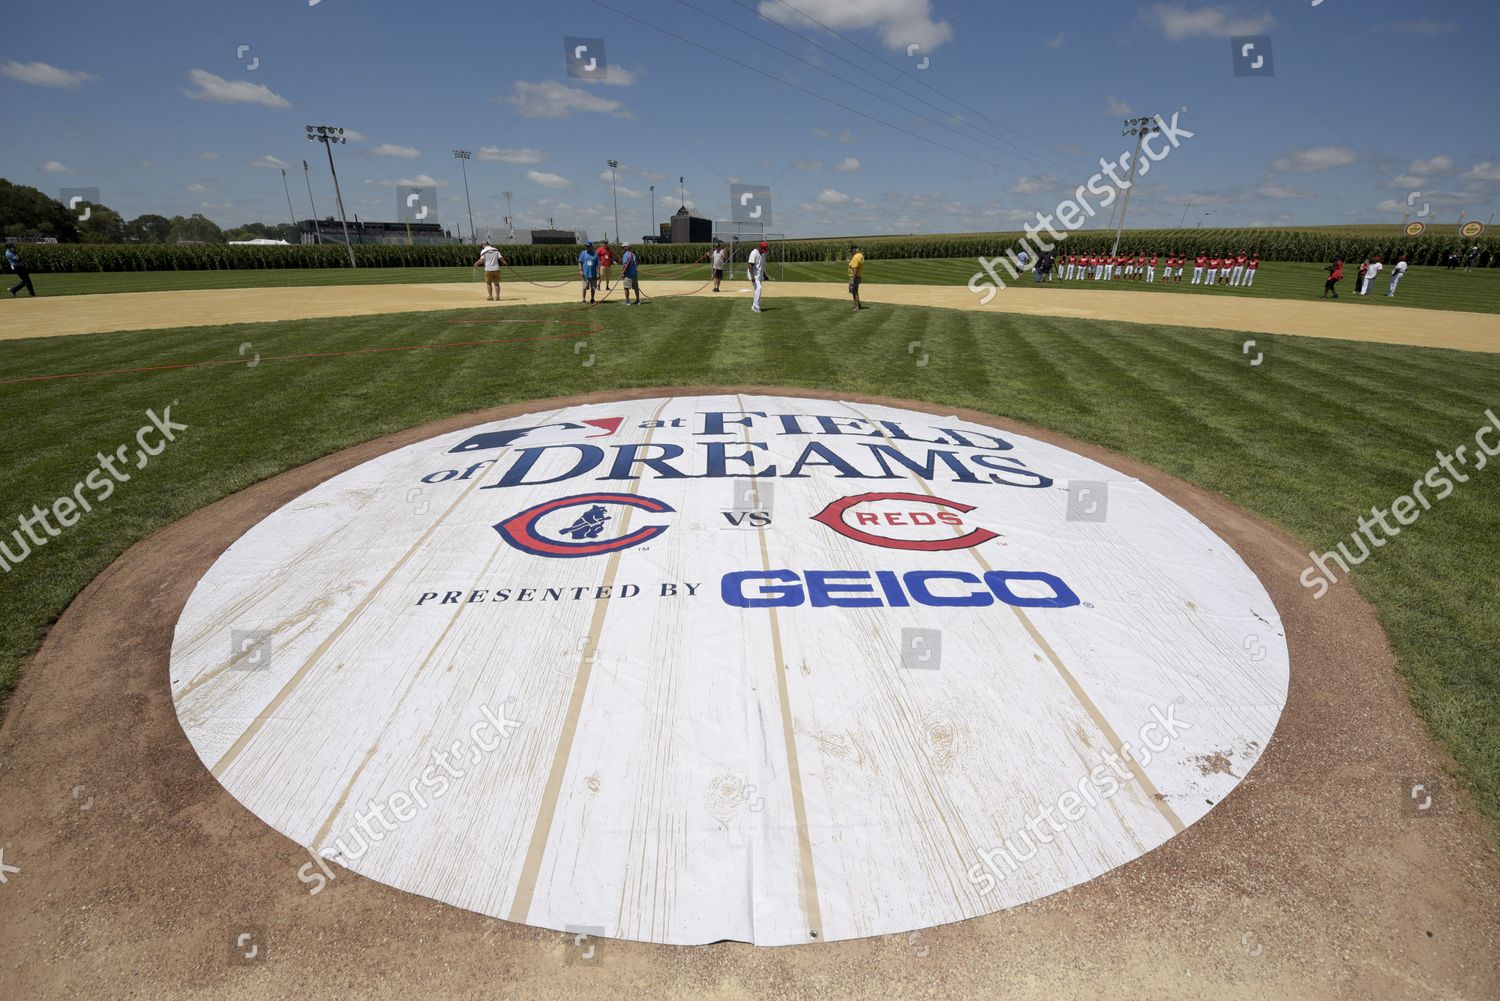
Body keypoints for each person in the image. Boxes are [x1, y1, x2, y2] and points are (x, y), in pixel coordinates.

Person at [748, 240, 767, 312]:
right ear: (759, 247)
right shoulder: (754, 253)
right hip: (753, 274)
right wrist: (752, 276)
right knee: (759, 288)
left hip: (759, 275)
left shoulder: (762, 254)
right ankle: (756, 306)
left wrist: (764, 274)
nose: (764, 251)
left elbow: (761, 266)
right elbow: (750, 265)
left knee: (758, 290)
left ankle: (754, 305)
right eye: (763, 249)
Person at [847, 244, 865, 310]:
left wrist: (852, 279)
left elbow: (855, 269)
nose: (851, 253)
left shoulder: (855, 257)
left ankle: (856, 306)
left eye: (851, 251)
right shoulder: (860, 255)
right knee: (855, 291)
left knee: (854, 292)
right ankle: (858, 305)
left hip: (855, 276)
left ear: (854, 250)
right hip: (859, 276)